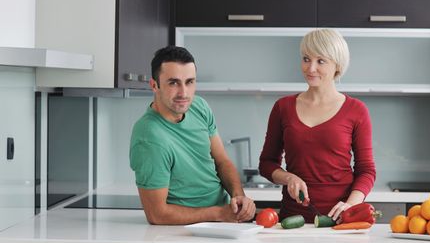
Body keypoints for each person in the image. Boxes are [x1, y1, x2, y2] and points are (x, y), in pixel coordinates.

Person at [259, 28, 376, 223]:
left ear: (337, 65)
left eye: (320, 61)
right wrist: (289, 178)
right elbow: (266, 163)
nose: (310, 68)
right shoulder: (283, 107)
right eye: (306, 59)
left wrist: (351, 204)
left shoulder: (356, 110)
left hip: (340, 221)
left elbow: (367, 170)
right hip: (293, 221)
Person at [129, 45, 256, 225]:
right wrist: (219, 213)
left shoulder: (199, 107)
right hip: (184, 230)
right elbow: (157, 215)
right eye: (173, 83)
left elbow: (222, 161)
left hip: (223, 221)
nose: (184, 93)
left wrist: (238, 196)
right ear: (154, 85)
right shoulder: (149, 138)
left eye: (189, 82)